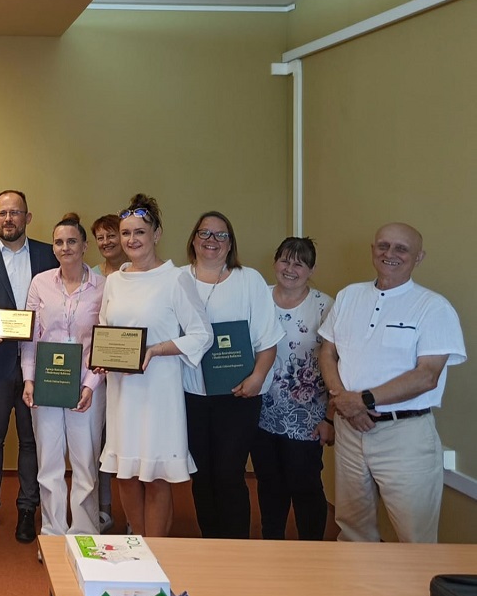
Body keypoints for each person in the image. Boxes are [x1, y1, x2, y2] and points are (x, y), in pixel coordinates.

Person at [319, 223, 466, 543]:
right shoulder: (349, 296)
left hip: (405, 436)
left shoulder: (433, 307)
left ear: (419, 257)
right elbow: (327, 351)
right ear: (373, 250)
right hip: (350, 430)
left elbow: (427, 375)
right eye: (383, 245)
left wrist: (363, 401)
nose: (390, 253)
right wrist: (342, 399)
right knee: (352, 529)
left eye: (402, 248)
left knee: (415, 537)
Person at [98, 194, 212, 536]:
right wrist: (103, 358)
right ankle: (137, 542)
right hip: (122, 391)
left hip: (159, 391)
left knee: (156, 476)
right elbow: (105, 328)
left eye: (140, 232)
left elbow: (201, 334)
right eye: (126, 233)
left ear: (156, 234)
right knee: (126, 474)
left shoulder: (175, 278)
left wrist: (157, 349)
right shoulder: (114, 281)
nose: (132, 240)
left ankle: (156, 548)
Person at [182, 211, 284, 539]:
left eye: (220, 235)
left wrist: (257, 378)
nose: (211, 240)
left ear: (230, 244)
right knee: (201, 475)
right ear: (193, 240)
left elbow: (268, 340)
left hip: (239, 395)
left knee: (229, 474)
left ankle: (237, 546)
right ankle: (210, 543)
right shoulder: (178, 280)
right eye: (204, 233)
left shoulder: (249, 280)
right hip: (191, 395)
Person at [0, 190, 57, 544]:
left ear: (27, 217)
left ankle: (27, 508)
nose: (8, 219)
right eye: (2, 213)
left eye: (15, 212)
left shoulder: (49, 254)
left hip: (40, 364)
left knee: (32, 440)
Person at [20, 215, 105, 536]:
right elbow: (31, 336)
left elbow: (105, 341)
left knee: (85, 463)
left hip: (86, 387)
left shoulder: (103, 287)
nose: (65, 247)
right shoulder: (40, 283)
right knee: (49, 463)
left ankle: (84, 532)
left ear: (84, 246)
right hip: (47, 384)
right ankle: (53, 532)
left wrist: (91, 385)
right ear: (53, 248)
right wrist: (29, 379)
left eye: (72, 241)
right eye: (59, 242)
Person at [252, 237, 335, 540]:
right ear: (275, 262)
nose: (290, 269)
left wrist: (330, 418)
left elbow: (338, 363)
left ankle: (311, 551)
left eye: (299, 264)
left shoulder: (325, 306)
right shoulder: (258, 297)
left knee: (306, 486)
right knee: (268, 484)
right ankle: (272, 547)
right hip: (261, 412)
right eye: (285, 261)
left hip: (307, 417)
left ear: (311, 270)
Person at [91, 212, 124, 530]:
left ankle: (135, 516)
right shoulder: (91, 275)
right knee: (100, 444)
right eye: (100, 237)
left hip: (133, 373)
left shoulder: (138, 274)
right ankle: (103, 509)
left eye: (111, 235)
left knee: (129, 443)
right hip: (99, 374)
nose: (106, 242)